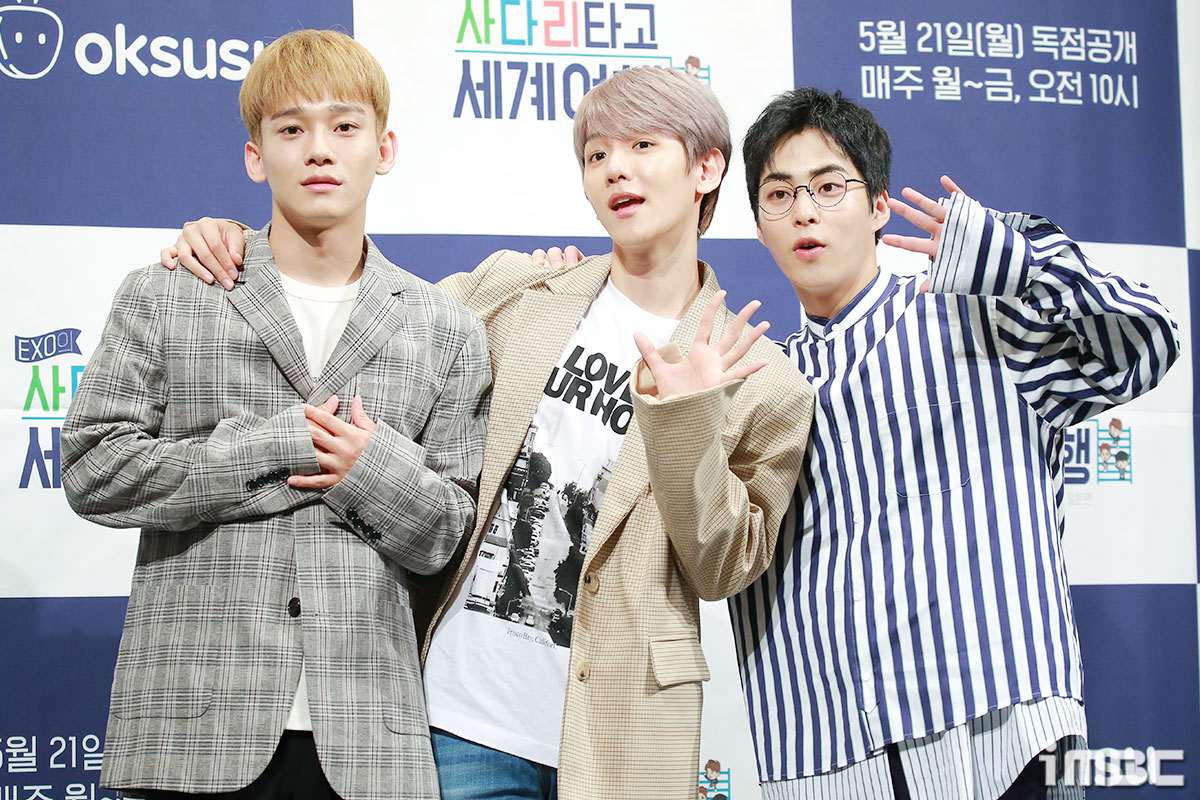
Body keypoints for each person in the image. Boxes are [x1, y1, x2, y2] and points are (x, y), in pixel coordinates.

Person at [159, 65, 815, 800]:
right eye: (596, 154)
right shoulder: (514, 290)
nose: (615, 169)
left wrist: (686, 423)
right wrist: (242, 244)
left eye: (642, 145)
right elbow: (364, 313)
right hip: (462, 715)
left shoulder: (764, 380)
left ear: (706, 169)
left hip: (625, 728)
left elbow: (722, 568)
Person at [61, 30, 491, 800]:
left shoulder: (445, 327)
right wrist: (275, 447)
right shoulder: (168, 293)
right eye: (292, 129)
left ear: (384, 149)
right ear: (256, 157)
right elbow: (94, 471)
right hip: (192, 731)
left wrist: (369, 470)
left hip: (367, 743)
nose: (319, 149)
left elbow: (449, 536)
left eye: (344, 126)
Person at [733, 87, 1179, 799]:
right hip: (829, 751)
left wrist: (1018, 263)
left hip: (1001, 728)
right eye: (779, 195)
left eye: (829, 186)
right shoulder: (756, 385)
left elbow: (1145, 341)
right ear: (760, 226)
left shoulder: (978, 317)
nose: (805, 211)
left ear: (879, 206)